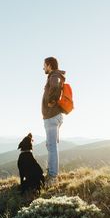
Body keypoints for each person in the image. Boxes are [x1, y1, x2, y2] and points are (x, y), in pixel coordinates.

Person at [42, 57, 65, 186]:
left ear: (49, 65)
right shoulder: (54, 76)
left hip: (52, 116)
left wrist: (51, 101)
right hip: (53, 116)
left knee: (52, 147)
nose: (43, 68)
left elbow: (55, 86)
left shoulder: (54, 76)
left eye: (44, 65)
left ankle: (52, 177)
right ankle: (52, 173)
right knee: (51, 146)